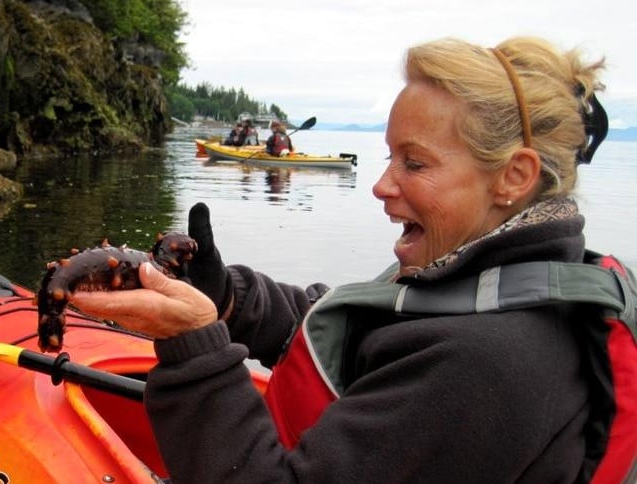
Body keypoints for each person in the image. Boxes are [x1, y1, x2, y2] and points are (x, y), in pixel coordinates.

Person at [71, 36, 620, 482]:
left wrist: (192, 348)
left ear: (513, 177)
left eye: (415, 163)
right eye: (390, 156)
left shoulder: (481, 366)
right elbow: (348, 321)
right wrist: (226, 297)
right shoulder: (476, 277)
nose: (381, 185)